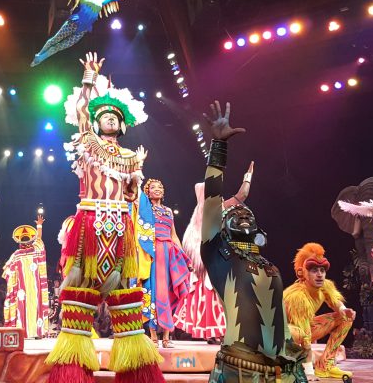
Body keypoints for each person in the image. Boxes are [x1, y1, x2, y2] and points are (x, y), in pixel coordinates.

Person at [46, 51, 163, 383]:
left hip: (120, 225)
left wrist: (134, 181)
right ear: (97, 123)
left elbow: (131, 196)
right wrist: (89, 79)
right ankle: (72, 370)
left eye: (114, 117)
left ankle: (137, 370)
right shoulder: (87, 143)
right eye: (105, 116)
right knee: (80, 287)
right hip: (90, 223)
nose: (109, 119)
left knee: (125, 291)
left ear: (122, 125)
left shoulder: (129, 156)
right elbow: (82, 112)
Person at [199, 101, 306, 383]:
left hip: (283, 371)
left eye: (248, 213)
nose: (243, 214)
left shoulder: (267, 264)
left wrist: (294, 362)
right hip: (240, 370)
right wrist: (218, 148)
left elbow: (281, 319)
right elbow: (212, 202)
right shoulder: (218, 254)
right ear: (222, 228)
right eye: (234, 214)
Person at [174, 168, 251, 344]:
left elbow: (242, 195)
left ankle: (223, 332)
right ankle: (213, 332)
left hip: (219, 259)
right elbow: (190, 246)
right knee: (209, 295)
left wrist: (248, 177)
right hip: (205, 265)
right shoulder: (197, 222)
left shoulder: (220, 208)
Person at [283, 243, 355, 379]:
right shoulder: (298, 296)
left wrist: (343, 310)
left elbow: (334, 301)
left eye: (322, 270)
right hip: (285, 334)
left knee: (345, 318)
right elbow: (305, 339)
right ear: (302, 273)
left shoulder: (325, 285)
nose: (319, 275)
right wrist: (309, 372)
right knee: (299, 333)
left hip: (305, 329)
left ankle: (325, 366)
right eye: (314, 270)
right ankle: (293, 367)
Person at [30, 0, 127, 66]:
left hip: (81, 31)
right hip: (74, 24)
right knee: (55, 40)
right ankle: (39, 54)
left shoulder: (100, 1)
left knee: (60, 46)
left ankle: (40, 58)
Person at [143, 179, 191, 348]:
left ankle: (166, 337)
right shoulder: (145, 209)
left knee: (168, 292)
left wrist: (184, 256)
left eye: (160, 187)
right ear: (147, 192)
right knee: (154, 291)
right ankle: (153, 337)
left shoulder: (169, 211)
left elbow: (174, 235)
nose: (157, 189)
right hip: (153, 252)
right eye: (153, 188)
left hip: (169, 252)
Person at [2, 214, 50, 339]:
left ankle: (22, 332)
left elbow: (7, 272)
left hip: (21, 290)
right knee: (36, 308)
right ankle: (37, 332)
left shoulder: (16, 254)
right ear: (30, 240)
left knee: (22, 309)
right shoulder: (36, 250)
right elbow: (39, 240)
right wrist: (39, 226)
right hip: (35, 289)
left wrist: (13, 282)